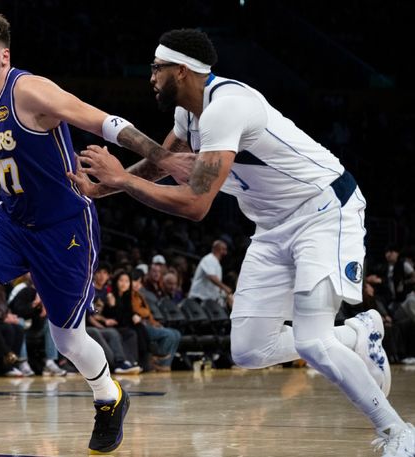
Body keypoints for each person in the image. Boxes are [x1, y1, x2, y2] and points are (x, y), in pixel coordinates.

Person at [72, 28, 414, 456]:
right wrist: (102, 189)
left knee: (312, 340)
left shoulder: (227, 108)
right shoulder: (188, 115)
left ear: (183, 70)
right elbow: (163, 165)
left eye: (158, 68)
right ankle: (356, 333)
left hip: (323, 210)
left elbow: (196, 203)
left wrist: (121, 179)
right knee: (250, 350)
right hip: (272, 225)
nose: (152, 77)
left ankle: (398, 432)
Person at [0, 14, 192, 453]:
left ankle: (109, 397)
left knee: (67, 339)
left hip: (64, 226)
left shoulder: (30, 91)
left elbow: (104, 121)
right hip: (9, 222)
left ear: (4, 56)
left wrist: (164, 158)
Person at [188, 240, 234, 309]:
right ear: (216, 249)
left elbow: (216, 284)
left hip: (208, 300)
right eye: (223, 249)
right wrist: (225, 288)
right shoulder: (209, 259)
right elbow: (211, 277)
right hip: (198, 298)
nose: (225, 252)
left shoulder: (217, 263)